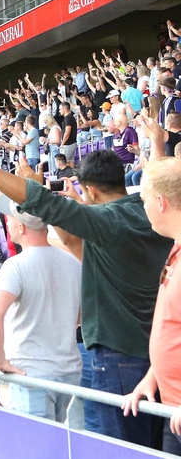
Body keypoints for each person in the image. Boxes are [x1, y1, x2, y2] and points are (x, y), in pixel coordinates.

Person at [0, 135, 173, 446]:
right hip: (154, 362)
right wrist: (156, 144)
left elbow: (49, 206)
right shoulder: (151, 217)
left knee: (118, 448)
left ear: (89, 190)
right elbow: (76, 241)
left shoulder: (107, 222)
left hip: (117, 359)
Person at [0, 195, 83, 422]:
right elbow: (80, 317)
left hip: (31, 373)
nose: (6, 223)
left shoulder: (16, 266)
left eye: (9, 219)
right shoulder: (72, 262)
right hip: (69, 370)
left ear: (21, 226)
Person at [123, 157, 181, 453]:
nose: (142, 208)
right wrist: (152, 378)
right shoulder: (175, 248)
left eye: (143, 200)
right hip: (172, 407)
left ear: (160, 202)